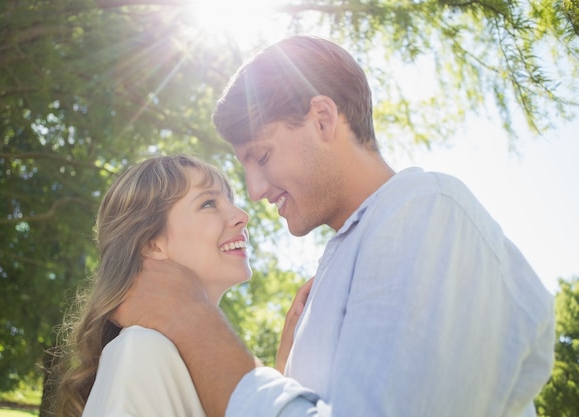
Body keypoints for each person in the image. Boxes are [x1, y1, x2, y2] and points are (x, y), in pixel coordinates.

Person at [113, 36, 556, 417]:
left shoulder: (426, 210)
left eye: (262, 157)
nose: (253, 192)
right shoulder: (341, 264)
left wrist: (194, 322)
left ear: (322, 118)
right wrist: (283, 376)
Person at [54, 154, 258, 417]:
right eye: (209, 203)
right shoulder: (142, 349)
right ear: (152, 244)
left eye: (231, 201)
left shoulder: (179, 359)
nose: (241, 216)